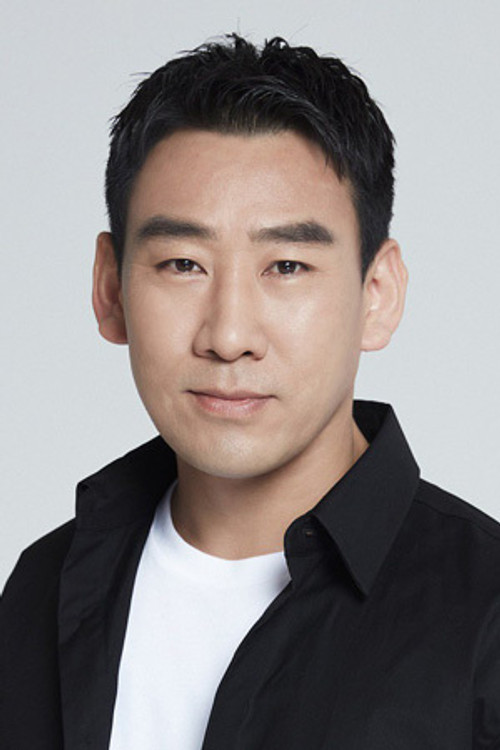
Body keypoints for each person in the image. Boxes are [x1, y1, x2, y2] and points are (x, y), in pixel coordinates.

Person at [1, 33, 499, 750]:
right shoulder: (42, 588)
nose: (229, 335)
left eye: (287, 266)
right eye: (183, 264)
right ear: (110, 289)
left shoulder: (484, 615)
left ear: (378, 294)